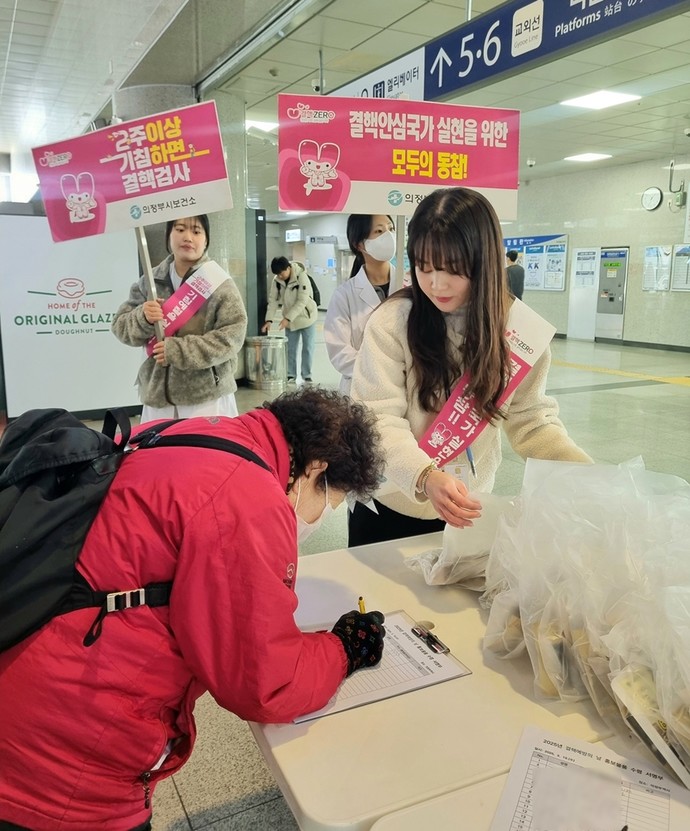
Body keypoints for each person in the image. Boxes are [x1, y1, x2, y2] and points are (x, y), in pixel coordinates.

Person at [0, 387, 386, 831]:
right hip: (65, 760)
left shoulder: (188, 433)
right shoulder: (248, 495)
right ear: (315, 468)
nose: (318, 520)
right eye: (327, 503)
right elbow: (264, 681)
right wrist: (343, 648)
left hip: (31, 672)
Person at [349, 187, 592, 546]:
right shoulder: (393, 321)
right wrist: (424, 476)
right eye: (424, 266)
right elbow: (376, 417)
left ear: (485, 262)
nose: (436, 284)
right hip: (391, 505)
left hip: (467, 508)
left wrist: (593, 476)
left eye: (454, 269)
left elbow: (532, 420)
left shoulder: (519, 332)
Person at [112, 215, 247, 423]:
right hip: (158, 398)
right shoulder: (150, 280)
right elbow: (120, 327)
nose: (188, 237)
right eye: (180, 229)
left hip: (207, 398)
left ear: (206, 240)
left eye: (196, 231)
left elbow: (232, 338)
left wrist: (177, 351)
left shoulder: (218, 283)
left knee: (209, 455)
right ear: (169, 235)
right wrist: (143, 318)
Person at [324, 214, 395, 394]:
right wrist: (380, 374)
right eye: (379, 231)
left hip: (405, 387)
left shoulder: (412, 286)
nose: (389, 235)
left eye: (391, 229)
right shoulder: (344, 295)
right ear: (360, 244)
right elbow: (339, 351)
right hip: (361, 389)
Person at [262, 256, 318, 383]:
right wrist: (269, 320)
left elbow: (302, 301)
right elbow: (273, 301)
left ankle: (307, 374)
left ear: (288, 268)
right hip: (290, 320)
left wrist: (287, 318)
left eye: (281, 273)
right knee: (290, 348)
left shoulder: (301, 276)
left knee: (308, 348)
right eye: (277, 274)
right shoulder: (277, 281)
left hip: (307, 317)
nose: (279, 276)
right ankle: (290, 374)